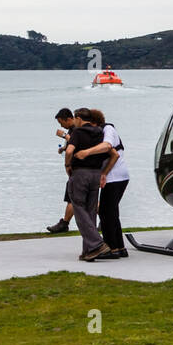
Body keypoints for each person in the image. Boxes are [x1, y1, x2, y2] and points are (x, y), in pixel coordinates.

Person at [73, 108, 129, 258]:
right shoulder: (101, 131)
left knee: (105, 212)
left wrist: (87, 153)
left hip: (115, 176)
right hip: (114, 177)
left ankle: (111, 248)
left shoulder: (108, 129)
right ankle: (119, 247)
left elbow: (109, 149)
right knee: (111, 212)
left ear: (94, 122)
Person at [64, 108, 111, 262]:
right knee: (90, 211)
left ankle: (97, 244)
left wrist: (67, 165)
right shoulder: (99, 132)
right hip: (95, 173)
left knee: (78, 208)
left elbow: (69, 150)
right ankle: (89, 251)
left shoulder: (77, 132)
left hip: (80, 173)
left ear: (78, 118)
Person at [46, 108, 77, 234]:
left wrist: (64, 135)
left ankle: (64, 224)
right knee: (81, 199)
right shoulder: (72, 130)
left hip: (76, 169)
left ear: (68, 119)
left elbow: (79, 144)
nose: (61, 126)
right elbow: (73, 144)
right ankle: (105, 218)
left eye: (61, 123)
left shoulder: (76, 130)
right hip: (77, 169)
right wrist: (64, 148)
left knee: (73, 197)